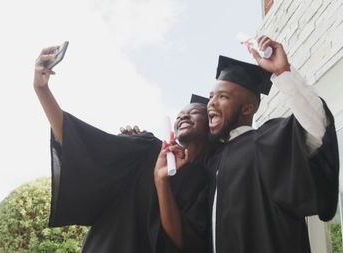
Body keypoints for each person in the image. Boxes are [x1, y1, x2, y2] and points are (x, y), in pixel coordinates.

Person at [33, 45, 210, 253]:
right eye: (180, 114)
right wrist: (42, 90)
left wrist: (161, 180)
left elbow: (183, 242)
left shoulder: (207, 180)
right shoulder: (147, 147)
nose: (183, 116)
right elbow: (87, 143)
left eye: (196, 112)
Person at [205, 36, 339, 253]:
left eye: (223, 97)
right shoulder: (214, 159)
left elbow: (317, 130)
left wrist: (283, 73)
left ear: (248, 109)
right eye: (211, 96)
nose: (211, 102)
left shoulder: (263, 142)